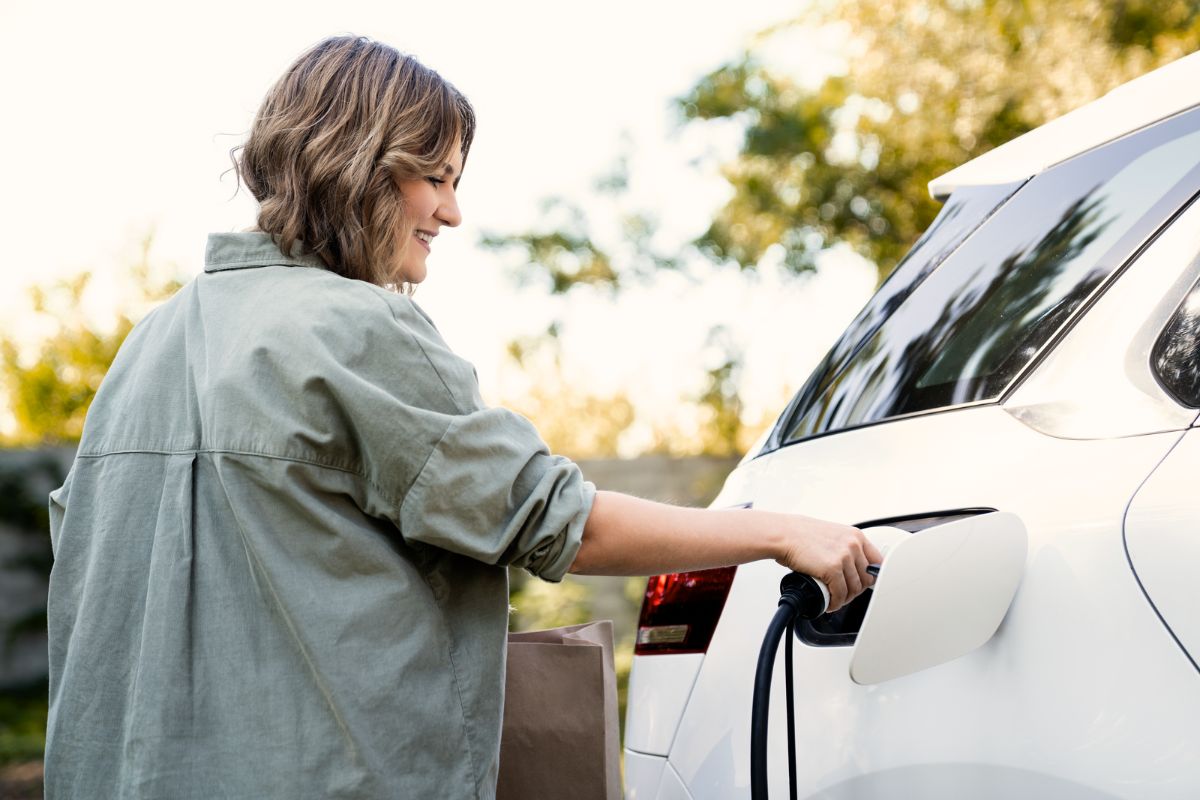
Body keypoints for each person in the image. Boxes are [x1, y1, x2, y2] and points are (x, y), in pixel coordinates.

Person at [44, 35, 880, 800]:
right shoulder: (356, 328)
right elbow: (561, 525)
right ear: (360, 166)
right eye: (435, 178)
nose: (451, 213)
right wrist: (780, 532)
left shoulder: (148, 345)